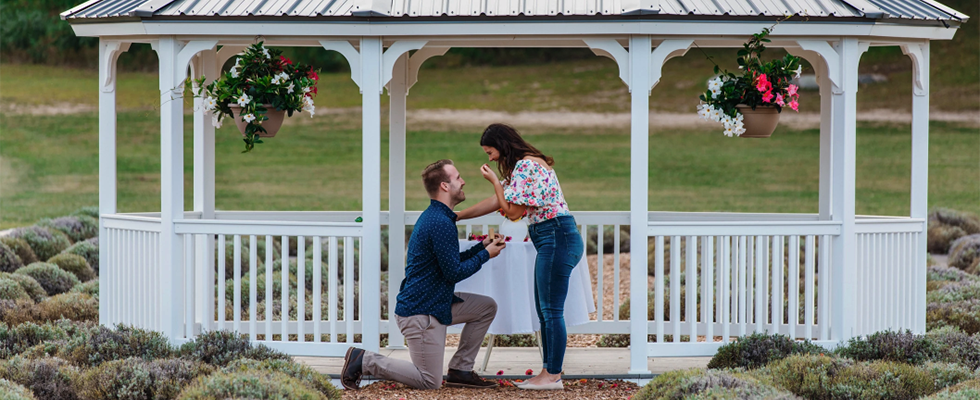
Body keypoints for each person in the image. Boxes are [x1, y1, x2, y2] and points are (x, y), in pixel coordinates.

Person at [341, 159, 506, 390]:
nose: (463, 181)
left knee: (486, 306)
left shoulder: (440, 218)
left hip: (436, 303)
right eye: (457, 178)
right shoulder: (439, 222)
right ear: (444, 186)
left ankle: (460, 369)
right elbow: (453, 273)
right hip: (421, 313)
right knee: (429, 381)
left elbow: (450, 263)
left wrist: (482, 247)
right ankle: (365, 360)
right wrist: (486, 255)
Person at [457, 123, 584, 391]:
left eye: (490, 152)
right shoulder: (523, 168)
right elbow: (498, 202)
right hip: (554, 237)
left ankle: (552, 376)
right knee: (545, 310)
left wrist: (493, 181)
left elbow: (513, 212)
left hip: (556, 236)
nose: (489, 158)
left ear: (502, 146)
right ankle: (548, 372)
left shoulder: (527, 166)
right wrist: (457, 215)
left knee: (550, 311)